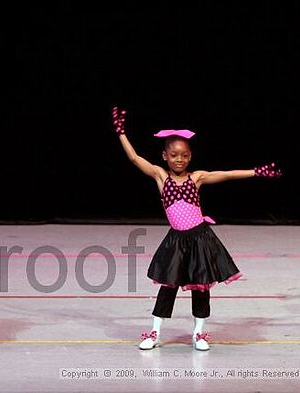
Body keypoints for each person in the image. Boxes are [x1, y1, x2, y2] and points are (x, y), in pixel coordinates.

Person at [111, 106, 281, 351]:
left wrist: (256, 172)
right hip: (176, 241)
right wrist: (121, 133)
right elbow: (134, 158)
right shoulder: (161, 177)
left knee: (201, 288)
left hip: (201, 239)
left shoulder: (196, 178)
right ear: (164, 156)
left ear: (190, 156)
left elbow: (227, 174)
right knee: (167, 287)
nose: (179, 159)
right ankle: (155, 332)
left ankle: (199, 333)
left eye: (184, 155)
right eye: (174, 155)